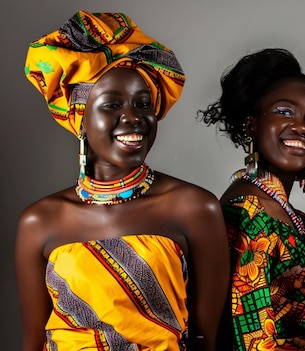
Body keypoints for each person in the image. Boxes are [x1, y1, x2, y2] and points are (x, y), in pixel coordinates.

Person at [17, 11, 230, 351]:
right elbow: (32, 343)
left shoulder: (195, 208)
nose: (133, 117)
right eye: (112, 105)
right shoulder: (39, 221)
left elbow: (207, 340)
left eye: (143, 104)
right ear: (80, 120)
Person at [197, 48, 305, 351]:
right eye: (284, 111)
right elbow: (252, 342)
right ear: (252, 125)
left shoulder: (286, 215)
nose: (302, 126)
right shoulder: (249, 215)